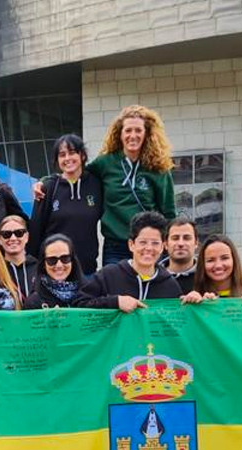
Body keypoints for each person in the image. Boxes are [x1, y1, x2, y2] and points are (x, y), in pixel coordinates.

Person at [35, 106, 175, 265]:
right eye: (128, 131)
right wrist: (45, 181)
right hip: (115, 247)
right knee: (114, 289)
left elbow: (169, 213)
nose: (133, 136)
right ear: (120, 134)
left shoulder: (158, 168)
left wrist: (166, 245)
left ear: (147, 133)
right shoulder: (106, 162)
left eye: (138, 130)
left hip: (148, 245)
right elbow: (74, 171)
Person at [76, 211, 182, 312]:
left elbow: (180, 321)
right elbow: (79, 303)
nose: (149, 248)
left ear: (163, 247)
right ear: (131, 245)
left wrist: (193, 302)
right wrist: (115, 302)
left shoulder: (170, 285)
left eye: (155, 243)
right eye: (143, 242)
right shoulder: (109, 275)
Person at [30, 134, 102, 275]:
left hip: (87, 271)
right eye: (62, 155)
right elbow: (35, 229)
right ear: (57, 160)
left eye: (72, 152)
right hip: (55, 271)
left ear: (82, 155)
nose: (67, 158)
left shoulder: (96, 184)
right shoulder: (48, 187)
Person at [181, 234, 242, 304]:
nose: (218, 265)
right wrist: (193, 307)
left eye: (224, 258)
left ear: (234, 259)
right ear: (202, 264)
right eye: (210, 260)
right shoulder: (192, 289)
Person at [24, 234, 86, 309]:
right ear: (44, 264)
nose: (59, 265)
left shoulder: (87, 294)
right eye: (52, 260)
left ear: (72, 261)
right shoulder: (34, 302)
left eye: (65, 258)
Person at [0, 215, 38, 300]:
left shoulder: (40, 268)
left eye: (19, 233)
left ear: (27, 237)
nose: (13, 238)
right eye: (6, 234)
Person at [160, 217, 199, 294]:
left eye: (187, 238)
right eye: (175, 238)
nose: (180, 243)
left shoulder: (207, 276)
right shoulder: (153, 277)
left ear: (196, 243)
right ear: (165, 244)